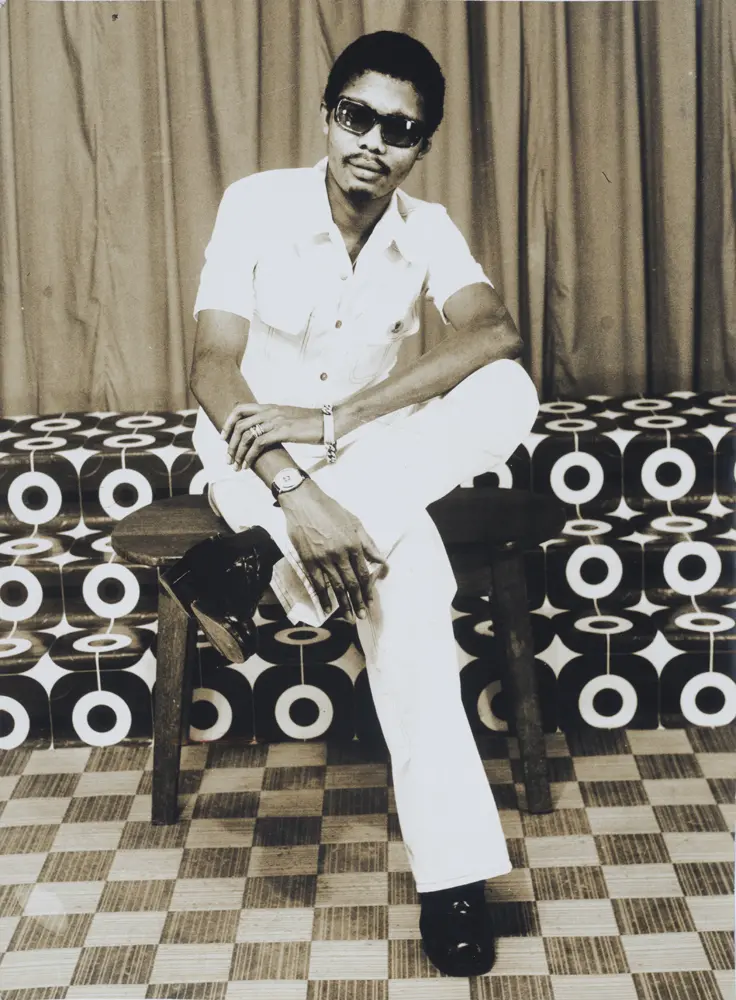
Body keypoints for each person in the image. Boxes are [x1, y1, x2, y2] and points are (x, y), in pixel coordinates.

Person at [165, 31, 539, 978]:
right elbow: (211, 366)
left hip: (362, 456)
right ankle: (456, 882)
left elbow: (495, 330)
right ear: (329, 117)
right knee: (413, 576)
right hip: (253, 451)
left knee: (510, 394)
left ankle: (256, 574)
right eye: (357, 116)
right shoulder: (254, 204)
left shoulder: (428, 226)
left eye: (401, 129)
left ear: (423, 145)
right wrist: (296, 488)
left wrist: (333, 423)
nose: (375, 142)